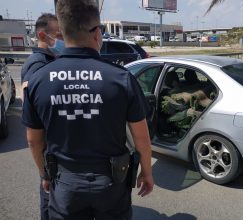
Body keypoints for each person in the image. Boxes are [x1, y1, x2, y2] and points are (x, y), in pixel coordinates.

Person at [22, 0, 154, 219]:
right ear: (97, 33)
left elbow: (33, 141)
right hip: (112, 182)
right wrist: (147, 172)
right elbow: (142, 139)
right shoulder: (121, 78)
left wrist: (44, 174)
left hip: (65, 182)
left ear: (63, 33)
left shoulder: (38, 80)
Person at [20, 13, 63, 220]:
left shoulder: (52, 60)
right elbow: (34, 133)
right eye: (58, 34)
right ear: (42, 35)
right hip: (50, 154)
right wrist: (43, 171)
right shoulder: (36, 65)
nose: (63, 38)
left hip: (57, 152)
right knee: (49, 205)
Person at [21, 13, 64, 91]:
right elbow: (25, 88)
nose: (63, 40)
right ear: (43, 36)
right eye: (59, 36)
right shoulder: (38, 62)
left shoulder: (48, 58)